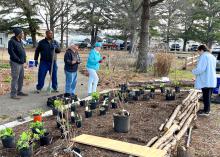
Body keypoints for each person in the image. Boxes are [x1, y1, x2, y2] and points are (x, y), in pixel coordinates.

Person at [192, 45, 217, 116]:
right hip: (211, 79)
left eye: (198, 51)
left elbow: (201, 69)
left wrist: (193, 71)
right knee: (208, 96)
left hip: (206, 79)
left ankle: (206, 111)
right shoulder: (212, 56)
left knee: (206, 96)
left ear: (201, 50)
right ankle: (207, 109)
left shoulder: (204, 56)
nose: (198, 53)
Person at [8, 28, 28, 99]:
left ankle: (19, 91)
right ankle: (13, 94)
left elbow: (23, 51)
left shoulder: (20, 41)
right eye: (22, 33)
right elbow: (11, 52)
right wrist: (18, 59)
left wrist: (24, 60)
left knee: (21, 77)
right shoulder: (11, 41)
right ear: (18, 34)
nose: (23, 34)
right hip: (15, 62)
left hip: (21, 63)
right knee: (15, 78)